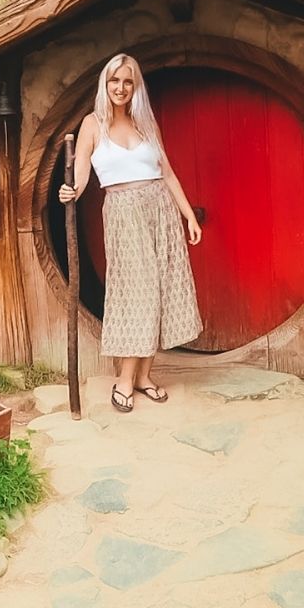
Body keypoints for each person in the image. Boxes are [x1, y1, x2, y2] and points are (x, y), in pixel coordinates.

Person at [58, 53, 203, 412]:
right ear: (104, 85)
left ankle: (143, 377)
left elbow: (167, 173)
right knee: (137, 293)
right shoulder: (92, 124)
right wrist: (70, 191)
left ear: (135, 87)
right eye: (114, 81)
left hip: (160, 209)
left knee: (161, 290)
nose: (120, 88)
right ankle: (124, 380)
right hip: (123, 212)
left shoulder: (145, 123)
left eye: (127, 81)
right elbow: (81, 175)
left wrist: (189, 217)